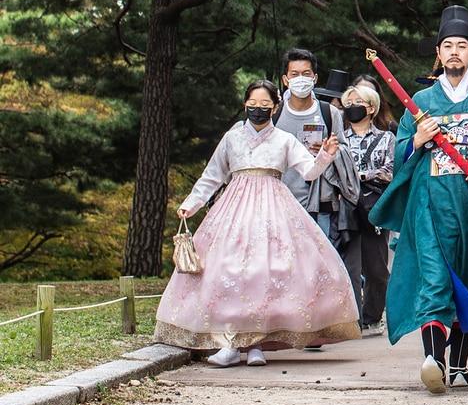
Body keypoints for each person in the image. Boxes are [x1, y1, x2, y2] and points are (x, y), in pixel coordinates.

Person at [369, 5, 468, 393]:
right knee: (434, 278)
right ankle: (433, 361)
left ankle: (458, 363)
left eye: (462, 46)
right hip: (430, 203)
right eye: (447, 46)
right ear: (438, 54)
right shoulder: (420, 101)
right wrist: (418, 140)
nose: (454, 52)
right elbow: (401, 151)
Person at [154, 80, 360, 365]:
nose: (258, 110)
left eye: (265, 106)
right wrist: (191, 203)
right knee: (230, 271)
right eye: (253, 105)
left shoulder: (284, 140)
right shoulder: (232, 137)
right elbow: (213, 176)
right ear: (245, 105)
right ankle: (230, 342)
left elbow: (309, 173)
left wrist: (325, 156)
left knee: (267, 274)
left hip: (274, 208)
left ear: (275, 107)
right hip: (234, 209)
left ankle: (256, 345)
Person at [276, 49, 360, 251]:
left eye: (306, 74)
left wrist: (329, 152)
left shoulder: (328, 112)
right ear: (285, 80)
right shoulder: (275, 113)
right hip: (279, 203)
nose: (300, 79)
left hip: (321, 203)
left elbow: (346, 155)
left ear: (315, 78)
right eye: (294, 74)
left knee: (319, 264)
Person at [342, 81, 394, 334]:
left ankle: (372, 316)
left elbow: (390, 171)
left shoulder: (387, 138)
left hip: (375, 207)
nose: (352, 108)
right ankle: (351, 318)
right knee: (348, 266)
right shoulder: (338, 138)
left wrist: (357, 177)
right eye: (348, 104)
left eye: (358, 103)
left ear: (371, 108)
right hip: (346, 207)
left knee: (376, 268)